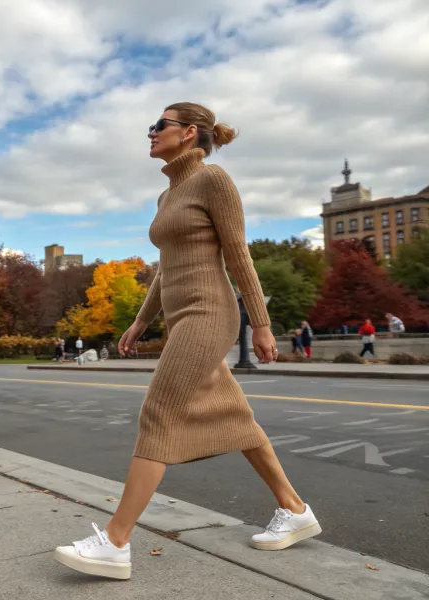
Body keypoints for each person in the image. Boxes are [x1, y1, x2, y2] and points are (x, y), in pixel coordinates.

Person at [55, 102, 320, 581]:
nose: (150, 133)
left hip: (209, 312)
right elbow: (165, 271)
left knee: (158, 412)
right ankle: (294, 508)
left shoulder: (213, 180)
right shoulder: (166, 198)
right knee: (236, 419)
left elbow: (238, 254)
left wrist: (260, 322)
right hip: (180, 318)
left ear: (189, 132)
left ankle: (116, 541)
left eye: (159, 125)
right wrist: (140, 322)